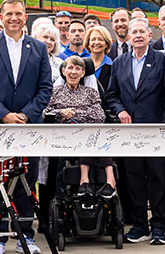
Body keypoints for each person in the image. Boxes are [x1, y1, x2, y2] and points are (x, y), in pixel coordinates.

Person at [0, 0, 53, 254]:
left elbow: (45, 89)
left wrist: (27, 115)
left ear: (25, 16)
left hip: (28, 126)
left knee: (26, 180)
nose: (14, 18)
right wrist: (4, 115)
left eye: (18, 13)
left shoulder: (39, 49)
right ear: (2, 16)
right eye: (9, 14)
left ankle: (25, 235)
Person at [105, 17, 165, 244]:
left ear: (149, 35)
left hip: (155, 130)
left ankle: (159, 225)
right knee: (134, 179)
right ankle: (140, 224)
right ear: (129, 36)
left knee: (158, 179)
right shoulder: (119, 63)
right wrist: (120, 110)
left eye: (143, 31)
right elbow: (112, 95)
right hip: (129, 132)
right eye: (135, 32)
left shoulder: (162, 60)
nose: (139, 35)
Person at [45, 56, 117, 193]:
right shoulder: (55, 92)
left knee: (93, 135)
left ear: (83, 73)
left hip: (86, 133)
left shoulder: (91, 92)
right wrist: (61, 113)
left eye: (78, 69)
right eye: (70, 68)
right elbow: (45, 112)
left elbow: (99, 116)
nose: (73, 72)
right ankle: (82, 182)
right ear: (63, 70)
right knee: (89, 137)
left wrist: (74, 113)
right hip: (62, 137)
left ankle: (108, 180)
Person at [32, 18, 64, 83]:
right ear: (35, 38)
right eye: (45, 37)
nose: (48, 41)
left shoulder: (60, 63)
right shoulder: (25, 58)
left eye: (52, 39)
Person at [84, 25, 115, 92]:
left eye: (100, 39)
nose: (96, 42)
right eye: (93, 39)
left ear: (106, 44)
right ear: (88, 43)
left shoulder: (113, 66)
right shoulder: (82, 64)